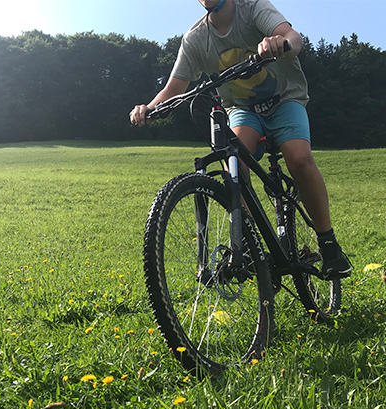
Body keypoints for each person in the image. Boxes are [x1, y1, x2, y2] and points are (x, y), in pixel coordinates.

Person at [129, 0, 351, 279]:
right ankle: (248, 244)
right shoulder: (195, 39)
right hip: (243, 110)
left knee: (299, 158)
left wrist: (279, 42)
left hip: (285, 100)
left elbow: (294, 37)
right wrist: (149, 108)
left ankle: (329, 245)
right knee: (232, 163)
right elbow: (175, 87)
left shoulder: (254, 8)